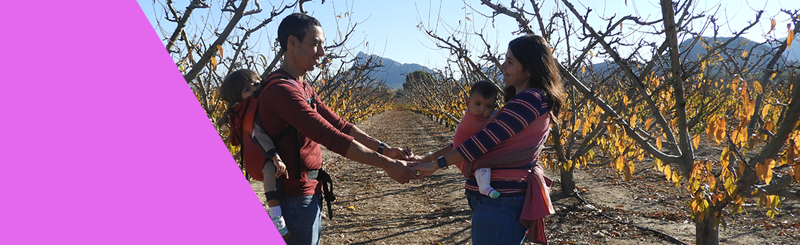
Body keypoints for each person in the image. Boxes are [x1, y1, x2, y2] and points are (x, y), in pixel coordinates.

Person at [257, 13, 417, 245]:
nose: (322, 52)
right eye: (316, 44)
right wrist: (387, 165)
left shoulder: (302, 86)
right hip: (294, 197)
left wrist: (386, 149)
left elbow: (340, 124)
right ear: (292, 43)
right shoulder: (282, 90)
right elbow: (330, 136)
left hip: (309, 192)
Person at [413, 35, 564, 245]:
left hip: (500, 201)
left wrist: (437, 164)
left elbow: (482, 142)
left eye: (510, 62)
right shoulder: (524, 101)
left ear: (529, 69)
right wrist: (432, 157)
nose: (503, 66)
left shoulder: (530, 100)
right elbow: (473, 140)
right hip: (495, 199)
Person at [219, 69, 292, 240]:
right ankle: (275, 215)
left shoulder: (260, 102)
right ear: (237, 98)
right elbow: (258, 134)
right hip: (261, 157)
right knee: (270, 170)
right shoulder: (248, 112)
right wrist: (275, 156)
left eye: (256, 84)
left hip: (263, 154)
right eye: (247, 90)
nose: (255, 90)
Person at [415, 80, 501, 199]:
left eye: (488, 106)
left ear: (494, 107)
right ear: (467, 102)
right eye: (478, 104)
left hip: (459, 153)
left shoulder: (476, 116)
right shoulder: (472, 121)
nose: (482, 109)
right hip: (463, 157)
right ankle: (484, 185)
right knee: (483, 163)